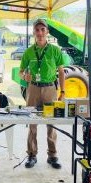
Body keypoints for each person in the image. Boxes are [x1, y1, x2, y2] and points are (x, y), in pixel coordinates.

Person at [19, 18, 65, 169]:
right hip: (33, 89)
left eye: (42, 30)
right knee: (32, 121)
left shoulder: (55, 50)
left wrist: (62, 91)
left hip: (50, 89)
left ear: (47, 32)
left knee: (51, 122)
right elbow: (21, 72)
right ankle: (32, 155)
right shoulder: (28, 51)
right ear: (33, 32)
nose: (40, 33)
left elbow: (61, 71)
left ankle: (52, 155)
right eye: (37, 30)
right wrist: (24, 76)